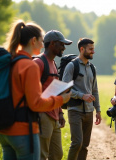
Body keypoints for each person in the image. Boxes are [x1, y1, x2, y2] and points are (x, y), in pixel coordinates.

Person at [0, 20, 71, 160]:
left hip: (5, 129)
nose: (43, 44)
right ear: (33, 40)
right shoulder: (31, 65)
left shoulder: (11, 61)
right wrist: (62, 99)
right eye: (41, 40)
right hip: (23, 130)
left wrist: (59, 111)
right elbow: (35, 103)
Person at [33, 30, 72, 160]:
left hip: (54, 114)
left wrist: (60, 112)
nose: (64, 47)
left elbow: (54, 90)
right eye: (61, 44)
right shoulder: (38, 63)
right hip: (42, 115)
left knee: (57, 154)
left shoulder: (54, 63)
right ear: (52, 44)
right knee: (42, 154)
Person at [62, 38, 102, 160]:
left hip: (89, 111)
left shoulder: (92, 68)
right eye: (90, 49)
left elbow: (94, 90)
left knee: (84, 145)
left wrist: (98, 110)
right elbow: (65, 88)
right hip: (75, 110)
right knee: (77, 143)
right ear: (82, 49)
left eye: (93, 49)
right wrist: (81, 95)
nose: (93, 52)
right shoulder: (71, 66)